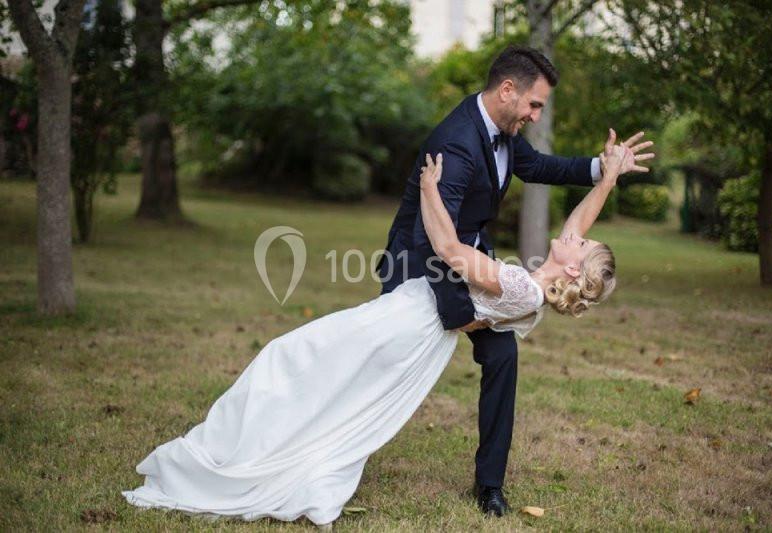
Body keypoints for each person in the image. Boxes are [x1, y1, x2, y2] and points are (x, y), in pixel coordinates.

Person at [121, 130, 637, 528]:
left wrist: (429, 191)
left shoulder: (523, 289)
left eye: (582, 245)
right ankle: (256, 448)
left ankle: (240, 463)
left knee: (290, 357)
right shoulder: (539, 283)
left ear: (573, 270)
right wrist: (608, 176)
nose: (574, 234)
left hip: (407, 322)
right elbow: (579, 222)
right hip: (413, 315)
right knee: (316, 374)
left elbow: (452, 252)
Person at [377, 44, 653, 516]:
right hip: (420, 269)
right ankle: (348, 443)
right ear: (508, 90)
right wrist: (461, 317)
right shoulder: (458, 141)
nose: (535, 115)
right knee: (385, 367)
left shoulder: (502, 131)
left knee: (502, 355)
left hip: (469, 262)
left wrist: (604, 171)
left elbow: (540, 168)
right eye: (534, 104)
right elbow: (430, 239)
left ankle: (489, 485)